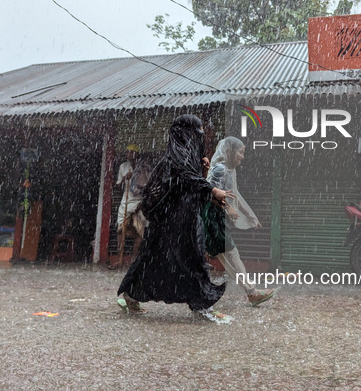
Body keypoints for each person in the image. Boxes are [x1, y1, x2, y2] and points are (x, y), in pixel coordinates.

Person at [117, 114, 233, 323]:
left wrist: (203, 173)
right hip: (171, 222)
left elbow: (191, 184)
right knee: (161, 260)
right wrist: (212, 189)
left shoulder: (187, 159)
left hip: (185, 219)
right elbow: (186, 179)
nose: (199, 136)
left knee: (184, 260)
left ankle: (200, 304)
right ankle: (133, 294)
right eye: (195, 132)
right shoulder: (173, 161)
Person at [203, 137, 276, 306]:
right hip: (212, 218)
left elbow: (236, 194)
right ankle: (252, 293)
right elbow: (207, 192)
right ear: (229, 152)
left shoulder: (230, 170)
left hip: (218, 218)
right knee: (231, 254)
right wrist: (227, 207)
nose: (242, 157)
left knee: (228, 256)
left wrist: (250, 216)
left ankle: (251, 292)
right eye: (240, 152)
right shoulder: (220, 169)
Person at [110, 144, 148, 269]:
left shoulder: (144, 167)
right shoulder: (123, 167)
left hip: (139, 202)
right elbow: (118, 186)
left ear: (137, 154)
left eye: (132, 152)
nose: (129, 155)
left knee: (139, 232)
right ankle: (119, 258)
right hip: (126, 201)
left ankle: (133, 259)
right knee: (121, 230)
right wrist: (125, 179)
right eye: (128, 152)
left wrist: (142, 203)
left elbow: (148, 187)